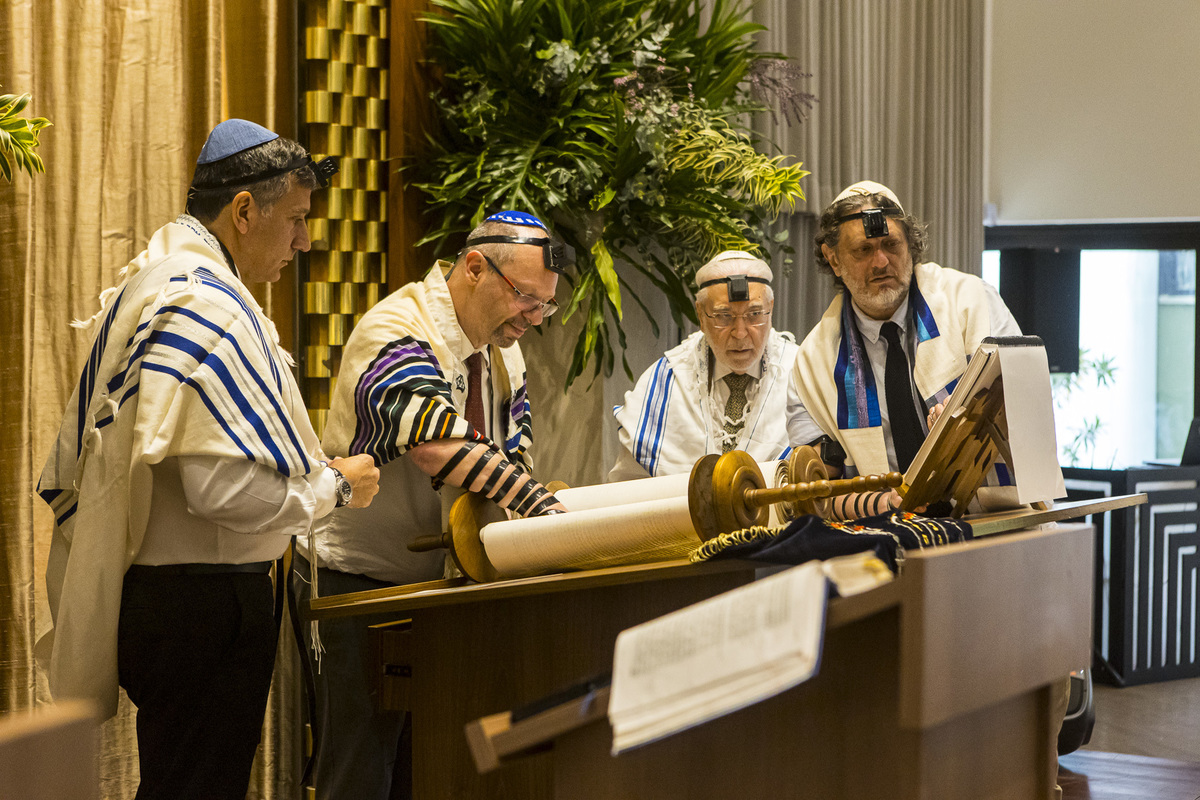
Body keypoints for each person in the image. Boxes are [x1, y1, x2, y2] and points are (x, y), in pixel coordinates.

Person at [36, 119, 380, 800]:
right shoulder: (205, 301)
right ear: (245, 211)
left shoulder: (166, 277)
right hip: (203, 606)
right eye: (296, 218)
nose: (305, 241)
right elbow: (218, 487)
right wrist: (333, 489)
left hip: (176, 601)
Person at [291, 210, 570, 800]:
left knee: (426, 768)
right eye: (525, 297)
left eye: (545, 305)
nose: (533, 317)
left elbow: (512, 448)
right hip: (355, 581)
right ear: (475, 267)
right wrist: (544, 511)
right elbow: (435, 444)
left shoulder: (502, 347)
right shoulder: (396, 327)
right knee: (360, 769)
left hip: (437, 585)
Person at [793, 180, 1020, 517]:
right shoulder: (812, 363)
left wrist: (974, 420)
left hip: (993, 521)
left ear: (911, 245)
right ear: (833, 259)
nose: (881, 262)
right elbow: (815, 491)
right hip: (884, 535)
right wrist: (881, 503)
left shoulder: (972, 303)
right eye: (863, 250)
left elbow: (1028, 407)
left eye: (891, 244)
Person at [610, 250, 823, 481]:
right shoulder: (666, 381)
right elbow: (630, 484)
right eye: (724, 316)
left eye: (754, 314)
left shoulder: (802, 373)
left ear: (770, 309)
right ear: (701, 315)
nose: (740, 333)